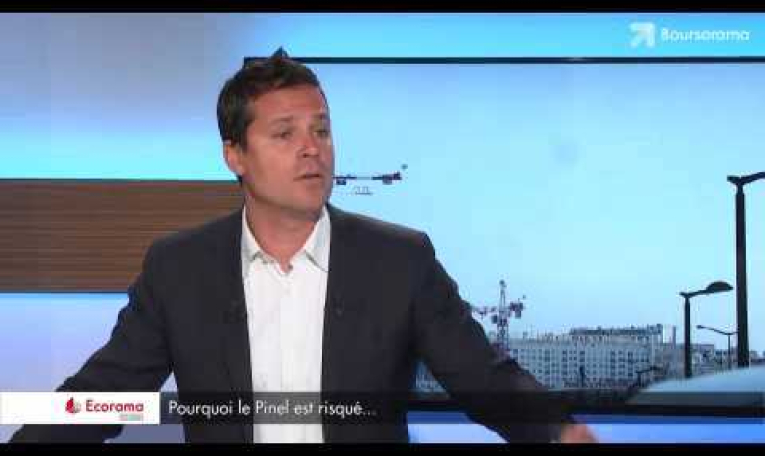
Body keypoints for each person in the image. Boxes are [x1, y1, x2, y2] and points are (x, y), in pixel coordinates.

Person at [10, 48, 596, 444]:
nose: (312, 148)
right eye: (284, 133)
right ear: (235, 155)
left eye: (321, 129)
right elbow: (104, 393)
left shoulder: (400, 261)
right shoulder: (180, 269)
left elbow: (483, 379)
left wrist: (557, 430)